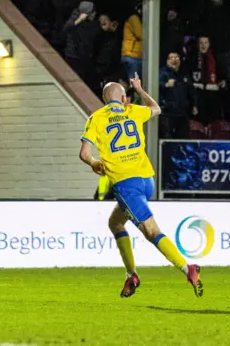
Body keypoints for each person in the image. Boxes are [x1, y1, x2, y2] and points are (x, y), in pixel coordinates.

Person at [78, 73, 203, 298]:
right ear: (124, 97)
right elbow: (156, 108)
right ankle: (131, 275)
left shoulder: (96, 118)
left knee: (151, 230)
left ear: (104, 99)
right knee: (115, 223)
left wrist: (95, 163)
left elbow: (84, 154)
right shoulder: (133, 110)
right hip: (147, 180)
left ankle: (187, 268)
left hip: (126, 184)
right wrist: (140, 90)